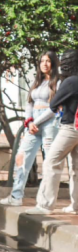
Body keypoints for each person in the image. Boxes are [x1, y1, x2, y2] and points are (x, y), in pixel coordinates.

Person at [1, 52, 60, 206]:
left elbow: (54, 107)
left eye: (48, 61)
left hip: (50, 125)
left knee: (49, 162)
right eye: (42, 61)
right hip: (33, 126)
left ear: (54, 63)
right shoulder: (37, 82)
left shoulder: (58, 83)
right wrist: (29, 122)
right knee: (21, 158)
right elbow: (29, 103)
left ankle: (45, 200)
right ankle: (16, 196)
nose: (45, 64)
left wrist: (37, 122)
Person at [27, 50, 78, 215]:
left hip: (70, 128)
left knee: (51, 163)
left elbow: (54, 103)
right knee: (76, 168)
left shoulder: (70, 81)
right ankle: (76, 205)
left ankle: (45, 205)